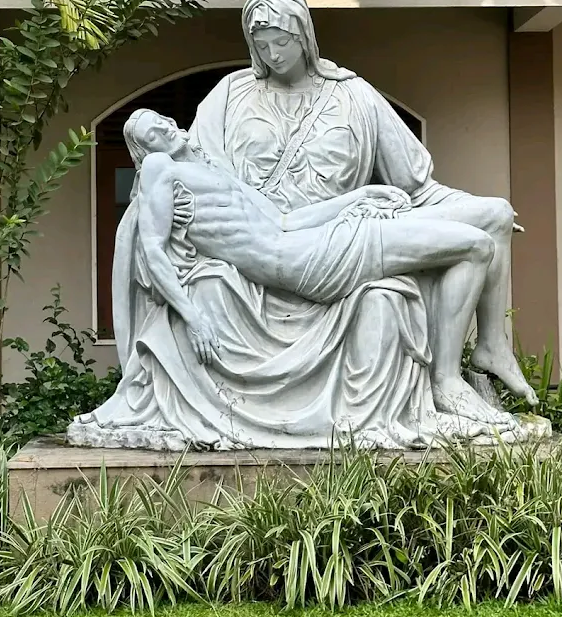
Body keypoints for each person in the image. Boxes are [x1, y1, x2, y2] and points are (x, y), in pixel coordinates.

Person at [190, 0, 538, 413]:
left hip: (353, 224)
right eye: (262, 46)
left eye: (281, 42)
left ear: (304, 36)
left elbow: (418, 187)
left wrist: (462, 206)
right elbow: (195, 170)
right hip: (304, 240)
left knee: (496, 214)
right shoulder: (230, 93)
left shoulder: (353, 95)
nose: (273, 55)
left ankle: (492, 346)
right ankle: (446, 380)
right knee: (474, 245)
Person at [123, 109, 499, 404]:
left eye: (160, 120)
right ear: (145, 150)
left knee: (486, 223)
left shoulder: (211, 170)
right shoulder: (159, 168)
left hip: (311, 243)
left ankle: (478, 357)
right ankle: (446, 382)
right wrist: (193, 318)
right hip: (303, 264)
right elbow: (154, 249)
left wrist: (358, 196)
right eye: (150, 135)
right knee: (475, 247)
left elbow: (284, 220)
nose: (163, 129)